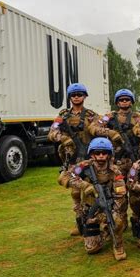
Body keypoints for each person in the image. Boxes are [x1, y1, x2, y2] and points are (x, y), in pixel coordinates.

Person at [61, 137, 128, 260]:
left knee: (116, 221)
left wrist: (115, 211)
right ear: (92, 154)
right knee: (92, 249)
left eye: (104, 153)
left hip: (108, 206)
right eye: (97, 153)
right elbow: (63, 177)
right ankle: (101, 232)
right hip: (90, 208)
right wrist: (84, 185)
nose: (101, 156)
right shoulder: (83, 166)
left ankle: (118, 245)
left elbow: (120, 195)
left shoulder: (114, 171)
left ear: (109, 155)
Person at [48, 83, 97, 236]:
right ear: (70, 97)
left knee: (89, 191)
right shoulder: (62, 115)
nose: (76, 97)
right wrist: (62, 138)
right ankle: (79, 223)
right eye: (74, 95)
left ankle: (90, 221)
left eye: (79, 94)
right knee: (76, 193)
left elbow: (101, 130)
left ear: (84, 96)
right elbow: (52, 133)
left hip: (88, 159)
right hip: (72, 159)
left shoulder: (91, 115)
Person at [89, 88, 140, 176]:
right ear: (117, 102)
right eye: (121, 100)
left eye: (127, 99)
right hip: (116, 157)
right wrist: (110, 133)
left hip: (133, 155)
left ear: (131, 102)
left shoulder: (137, 117)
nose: (124, 101)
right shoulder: (110, 116)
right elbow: (93, 127)